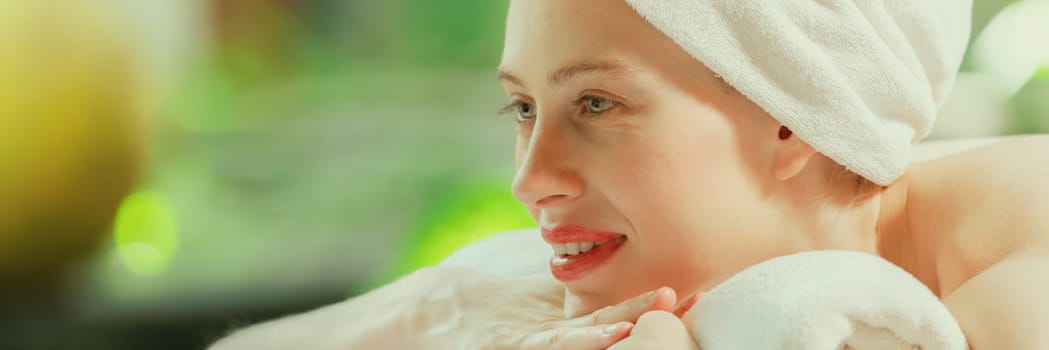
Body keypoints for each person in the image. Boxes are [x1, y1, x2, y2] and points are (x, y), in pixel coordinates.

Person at [212, 0, 1049, 349]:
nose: (529, 180)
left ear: (797, 117)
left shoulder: (1023, 276)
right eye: (522, 109)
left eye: (597, 106)